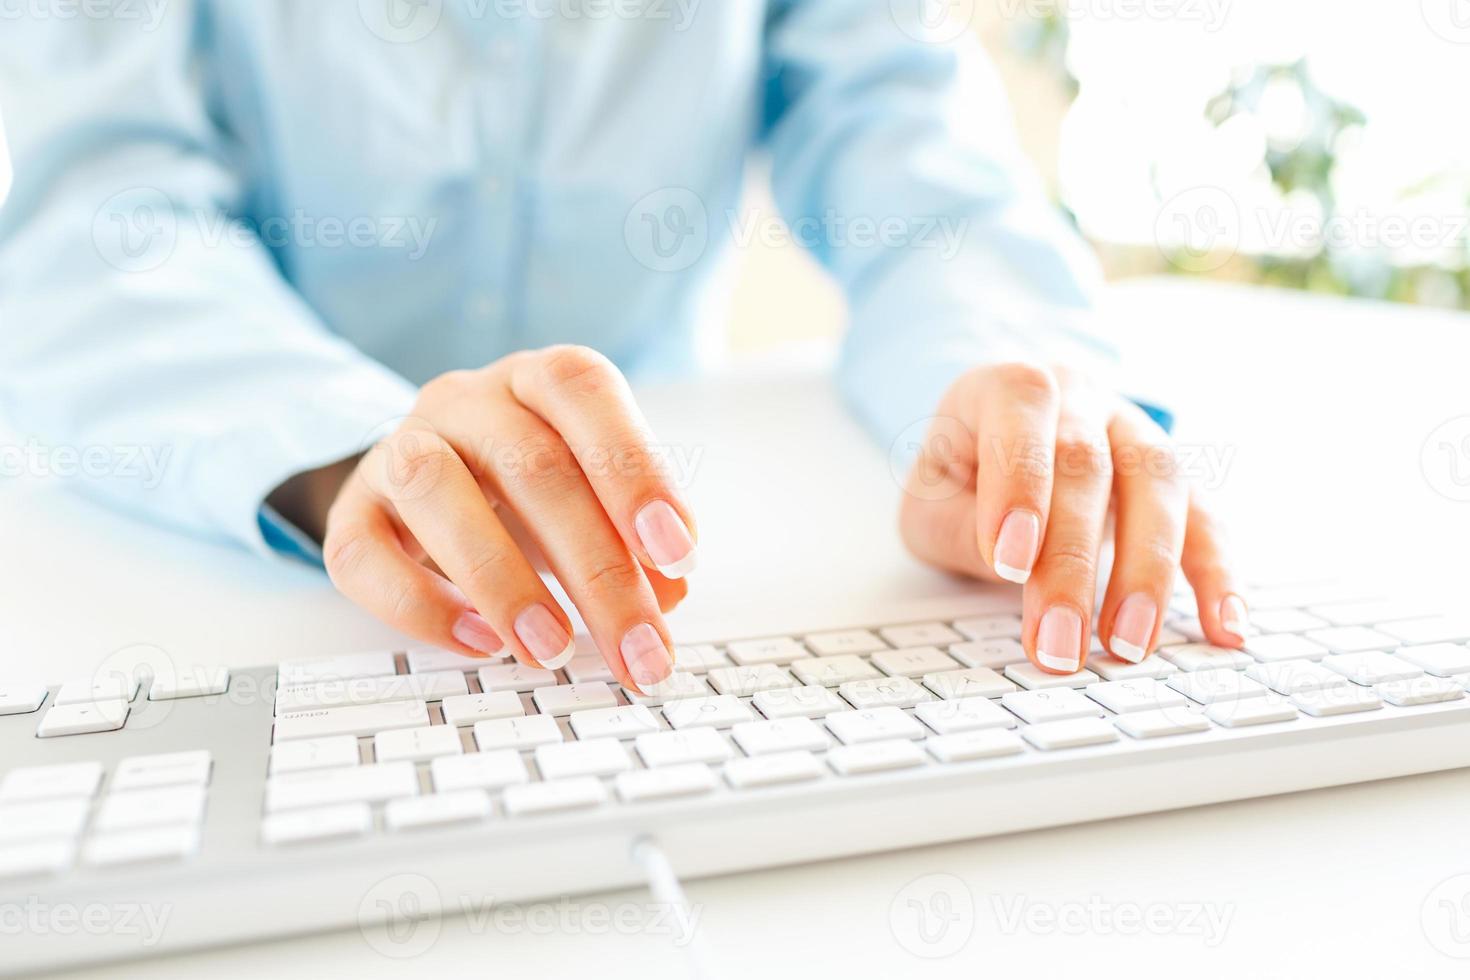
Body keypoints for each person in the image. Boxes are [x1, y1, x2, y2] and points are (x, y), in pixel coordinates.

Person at [0, 2, 1245, 695]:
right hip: (236, 568)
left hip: (657, 568)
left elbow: (901, 141)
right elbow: (93, 216)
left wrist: (1011, 370)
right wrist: (343, 452)